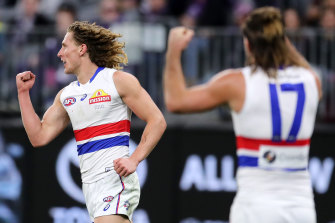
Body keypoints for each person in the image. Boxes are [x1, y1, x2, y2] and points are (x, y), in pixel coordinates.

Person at [163, 7, 321, 223]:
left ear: (247, 44)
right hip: (301, 209)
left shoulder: (237, 83)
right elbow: (295, 63)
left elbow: (176, 101)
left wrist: (173, 51)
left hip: (255, 208)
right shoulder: (312, 80)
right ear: (284, 41)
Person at [16, 21, 166, 223]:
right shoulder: (66, 95)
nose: (59, 53)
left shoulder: (118, 81)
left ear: (82, 49)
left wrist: (134, 159)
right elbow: (38, 137)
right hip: (89, 185)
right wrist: (23, 93)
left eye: (64, 46)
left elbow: (157, 120)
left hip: (115, 179)